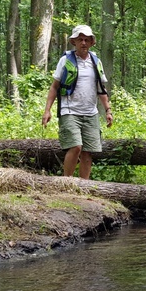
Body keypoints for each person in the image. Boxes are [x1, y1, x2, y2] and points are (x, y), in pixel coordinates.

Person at [42, 25, 113, 179]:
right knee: (76, 147)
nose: (83, 43)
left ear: (91, 42)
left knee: (88, 152)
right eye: (80, 39)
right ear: (74, 41)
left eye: (87, 40)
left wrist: (108, 110)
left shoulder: (96, 62)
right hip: (69, 111)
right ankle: (67, 183)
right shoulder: (65, 60)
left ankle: (83, 187)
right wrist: (47, 110)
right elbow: (54, 87)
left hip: (90, 113)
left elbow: (101, 89)